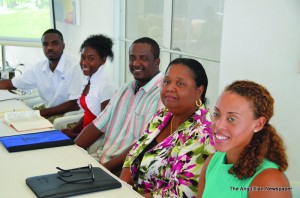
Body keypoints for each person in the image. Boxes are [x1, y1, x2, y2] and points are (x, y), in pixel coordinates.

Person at [120, 58, 215, 198]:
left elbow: (181, 193)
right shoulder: (163, 114)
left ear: (199, 91)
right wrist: (120, 189)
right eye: (166, 81)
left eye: (180, 83)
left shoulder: (203, 133)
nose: (170, 88)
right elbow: (133, 154)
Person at [75, 37, 164, 173]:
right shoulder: (125, 89)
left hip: (125, 171)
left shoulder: (161, 96)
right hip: (101, 162)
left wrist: (105, 170)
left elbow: (143, 145)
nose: (135, 63)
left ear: (156, 62)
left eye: (143, 58)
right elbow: (97, 125)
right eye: (132, 58)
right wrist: (72, 150)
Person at [197, 80, 292, 198]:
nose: (218, 125)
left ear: (258, 124)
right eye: (217, 114)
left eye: (232, 119)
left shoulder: (269, 181)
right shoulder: (212, 162)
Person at [0, 29, 84, 120]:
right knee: (9, 119)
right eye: (45, 44)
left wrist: (38, 114)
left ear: (63, 45)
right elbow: (13, 83)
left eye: (55, 43)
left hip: (70, 117)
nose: (49, 48)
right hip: (50, 111)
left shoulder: (74, 67)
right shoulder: (39, 67)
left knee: (23, 123)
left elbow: (74, 105)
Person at [61, 34, 116, 139]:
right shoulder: (90, 80)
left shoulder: (105, 86)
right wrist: (72, 130)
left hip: (93, 141)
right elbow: (89, 113)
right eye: (83, 57)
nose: (84, 63)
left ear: (103, 60)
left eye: (91, 58)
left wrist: (74, 135)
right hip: (83, 134)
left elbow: (105, 125)